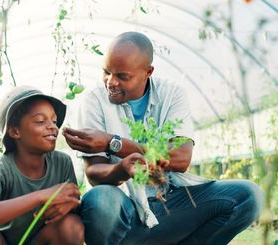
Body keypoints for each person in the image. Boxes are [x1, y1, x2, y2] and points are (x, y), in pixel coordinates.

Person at [63, 31, 264, 245]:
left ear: (147, 72)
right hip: (125, 209)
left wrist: (112, 143)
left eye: (122, 76)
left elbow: (180, 159)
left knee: (249, 196)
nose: (111, 82)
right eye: (106, 72)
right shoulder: (94, 101)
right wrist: (121, 169)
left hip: (171, 203)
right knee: (99, 199)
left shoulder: (172, 95)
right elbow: (94, 173)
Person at [0, 86, 84, 245]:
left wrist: (71, 203)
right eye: (40, 121)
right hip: (1, 241)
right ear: (15, 132)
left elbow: (75, 206)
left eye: (54, 121)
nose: (53, 127)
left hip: (41, 240)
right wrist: (41, 196)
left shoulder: (62, 163)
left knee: (72, 224)